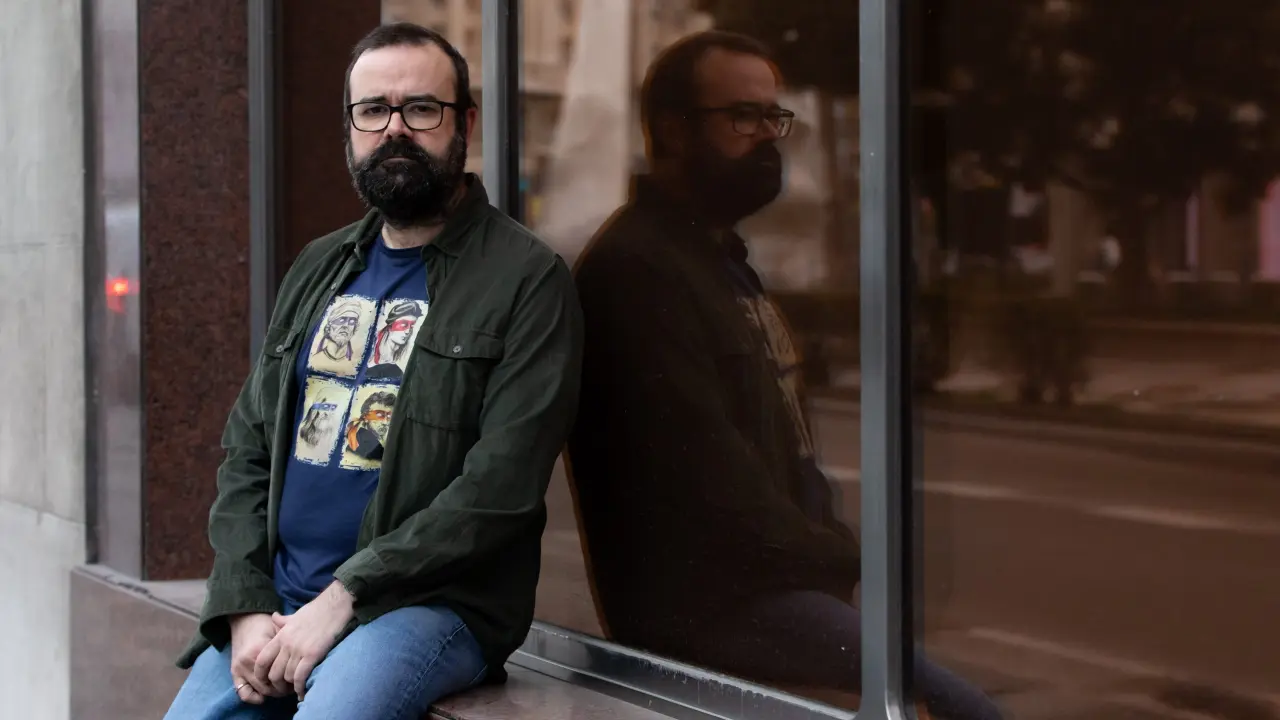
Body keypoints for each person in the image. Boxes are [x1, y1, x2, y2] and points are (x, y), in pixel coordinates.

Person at [567, 31, 1002, 720]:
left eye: (775, 116)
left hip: (768, 592)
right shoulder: (635, 272)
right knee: (960, 711)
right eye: (744, 117)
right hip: (712, 609)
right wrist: (836, 555)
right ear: (674, 131)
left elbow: (788, 456)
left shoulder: (721, 262)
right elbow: (712, 482)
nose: (769, 136)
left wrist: (826, 552)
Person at [165, 22, 583, 720]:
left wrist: (347, 595)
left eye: (421, 108)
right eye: (373, 110)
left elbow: (501, 488)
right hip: (283, 601)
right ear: (350, 128)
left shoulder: (527, 278)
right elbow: (248, 448)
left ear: (465, 123)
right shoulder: (319, 265)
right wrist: (243, 603)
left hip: (428, 606)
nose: (395, 129)